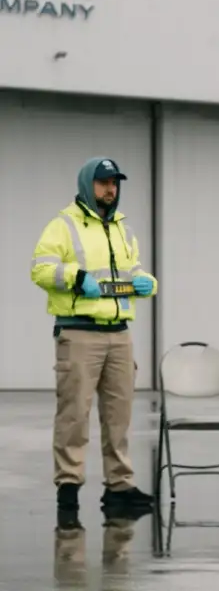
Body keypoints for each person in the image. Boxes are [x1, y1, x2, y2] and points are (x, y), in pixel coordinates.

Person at [31, 157, 157, 518]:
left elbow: (131, 270)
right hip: (79, 333)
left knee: (119, 416)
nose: (110, 189)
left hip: (119, 335)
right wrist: (74, 276)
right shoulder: (63, 225)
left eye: (114, 183)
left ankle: (119, 488)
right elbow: (40, 268)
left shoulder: (122, 228)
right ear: (89, 184)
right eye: (103, 183)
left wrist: (147, 282)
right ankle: (68, 489)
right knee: (74, 414)